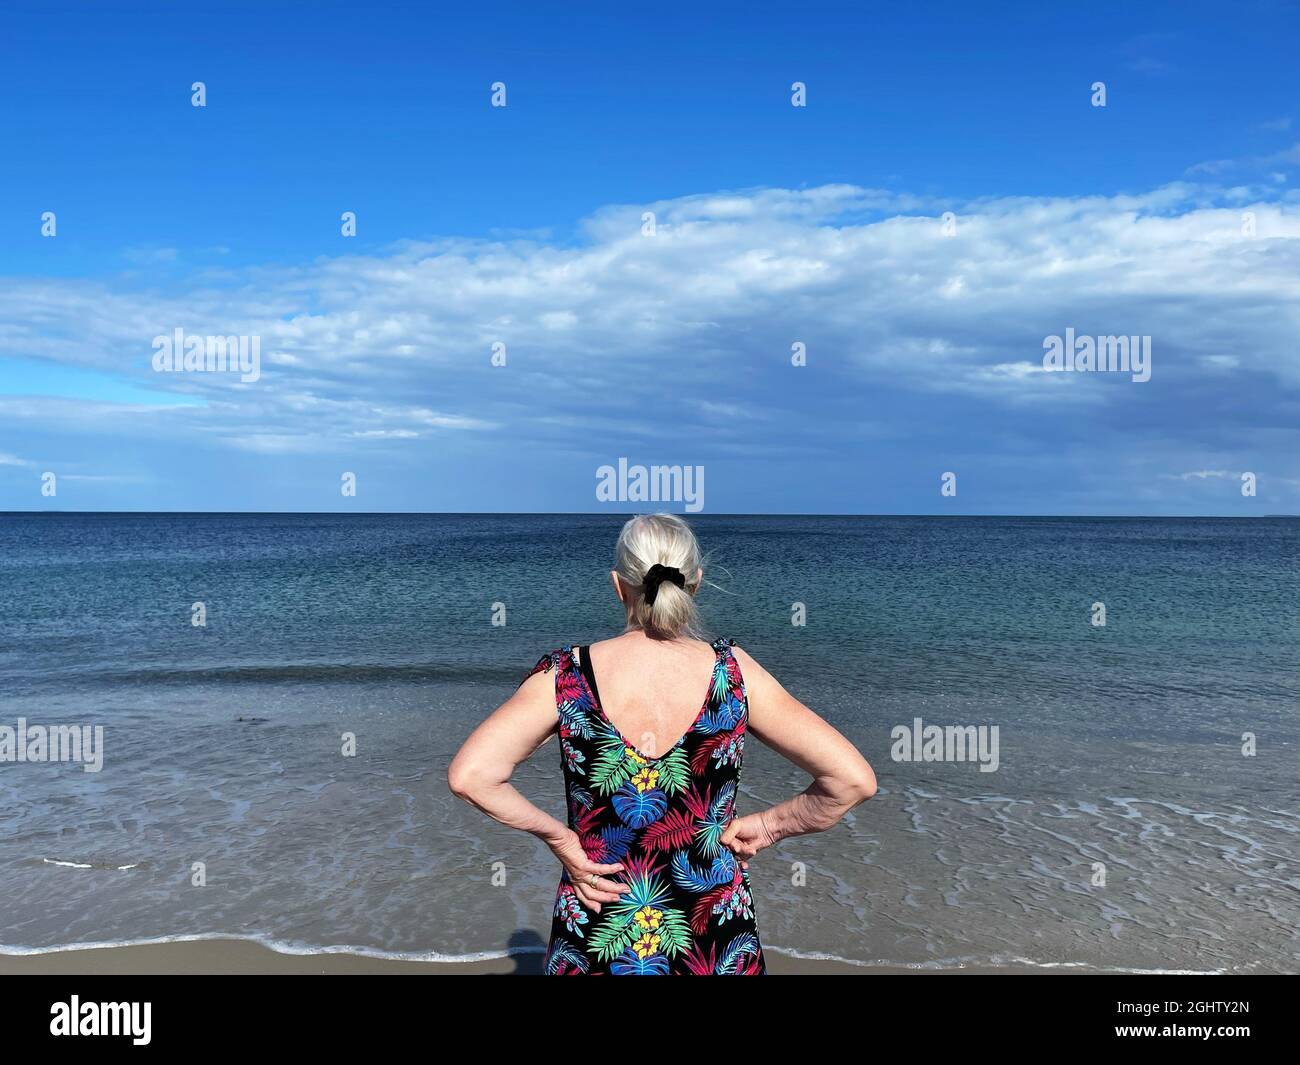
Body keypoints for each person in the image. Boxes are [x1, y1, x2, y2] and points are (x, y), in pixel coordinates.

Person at [448, 513, 877, 974]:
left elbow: (473, 776)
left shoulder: (565, 678)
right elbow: (851, 781)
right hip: (714, 936)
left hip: (598, 926)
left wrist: (561, 840)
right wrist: (772, 826)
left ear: (619, 586)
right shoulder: (734, 675)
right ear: (695, 583)